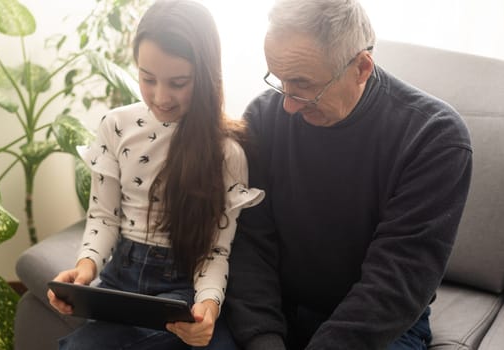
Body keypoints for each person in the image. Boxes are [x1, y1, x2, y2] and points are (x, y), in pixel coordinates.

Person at [224, 0, 472, 349]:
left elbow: (396, 281)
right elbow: (251, 246)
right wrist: (263, 339)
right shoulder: (264, 118)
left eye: (302, 84)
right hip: (276, 314)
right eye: (279, 80)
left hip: (380, 327)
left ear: (361, 67)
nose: (287, 105)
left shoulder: (434, 138)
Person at [47, 0, 263, 349]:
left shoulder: (227, 152)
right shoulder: (115, 127)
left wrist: (207, 306)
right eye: (147, 78)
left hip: (184, 288)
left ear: (206, 74)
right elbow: (104, 215)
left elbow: (214, 252)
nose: (161, 97)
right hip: (121, 284)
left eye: (179, 82)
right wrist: (85, 268)